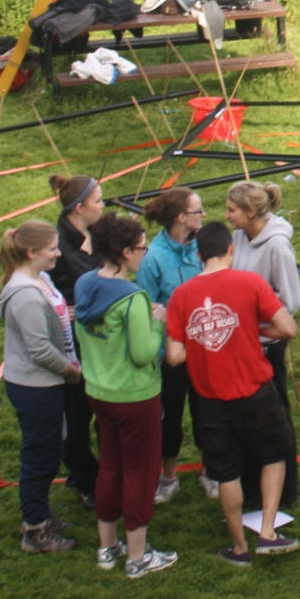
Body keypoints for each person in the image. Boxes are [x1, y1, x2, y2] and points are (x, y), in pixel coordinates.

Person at [165, 222, 300, 565]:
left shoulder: (181, 296)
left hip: (211, 402)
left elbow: (174, 356)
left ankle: (239, 548)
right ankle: (268, 532)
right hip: (257, 393)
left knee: (226, 473)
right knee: (273, 456)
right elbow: (288, 328)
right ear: (231, 249)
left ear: (198, 254)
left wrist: (202, 339)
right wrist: (251, 330)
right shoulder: (250, 282)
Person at [75, 212, 177, 579]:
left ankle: (108, 547)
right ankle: (137, 556)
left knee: (110, 466)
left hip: (98, 391)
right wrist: (158, 323)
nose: (144, 255)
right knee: (140, 473)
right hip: (134, 396)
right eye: (140, 248)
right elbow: (142, 353)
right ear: (124, 252)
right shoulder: (134, 298)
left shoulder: (85, 283)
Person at [0, 220, 80, 553]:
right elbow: (40, 349)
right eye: (52, 249)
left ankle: (40, 513)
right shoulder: (27, 296)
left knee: (48, 450)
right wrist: (70, 372)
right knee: (40, 457)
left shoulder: (39, 279)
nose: (58, 254)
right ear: (31, 252)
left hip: (41, 384)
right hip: (36, 386)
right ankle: (34, 531)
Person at [227, 181, 300, 508]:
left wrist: (256, 323)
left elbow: (291, 301)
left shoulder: (277, 247)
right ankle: (253, 488)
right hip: (243, 344)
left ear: (250, 212)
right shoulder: (238, 237)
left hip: (268, 346)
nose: (227, 215)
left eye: (231, 210)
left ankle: (285, 492)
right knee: (246, 417)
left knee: (275, 417)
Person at [137, 187, 210, 504]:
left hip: (205, 349)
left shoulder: (202, 247)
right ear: (181, 217)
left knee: (207, 412)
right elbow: (147, 309)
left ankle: (210, 470)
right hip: (170, 356)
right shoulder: (152, 259)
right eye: (198, 210)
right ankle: (168, 477)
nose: (203, 215)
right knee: (170, 417)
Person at [46, 173, 104, 509]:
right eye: (98, 201)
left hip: (101, 338)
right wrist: (61, 309)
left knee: (104, 407)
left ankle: (108, 471)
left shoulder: (97, 231)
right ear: (79, 208)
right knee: (77, 414)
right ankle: (85, 477)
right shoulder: (56, 245)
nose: (103, 206)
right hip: (73, 344)